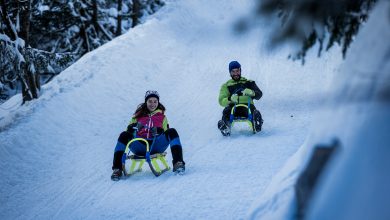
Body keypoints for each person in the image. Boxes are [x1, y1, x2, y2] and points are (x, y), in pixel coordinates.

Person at [111, 90, 185, 180]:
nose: (152, 104)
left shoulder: (162, 117)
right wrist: (131, 128)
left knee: (172, 131)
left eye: (155, 101)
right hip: (139, 146)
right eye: (150, 101)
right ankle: (117, 169)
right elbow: (129, 131)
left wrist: (160, 131)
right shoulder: (137, 117)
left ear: (158, 102)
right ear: (146, 102)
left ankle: (178, 163)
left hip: (156, 145)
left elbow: (166, 132)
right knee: (124, 135)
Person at [217, 61, 263, 136]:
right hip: (233, 106)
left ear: (240, 70)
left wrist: (252, 92)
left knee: (254, 112)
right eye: (233, 71)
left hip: (248, 106)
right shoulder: (226, 86)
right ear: (230, 72)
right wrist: (230, 99)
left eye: (237, 71)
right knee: (226, 111)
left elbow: (259, 94)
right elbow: (221, 101)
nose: (235, 74)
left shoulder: (249, 82)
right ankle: (226, 128)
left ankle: (256, 125)